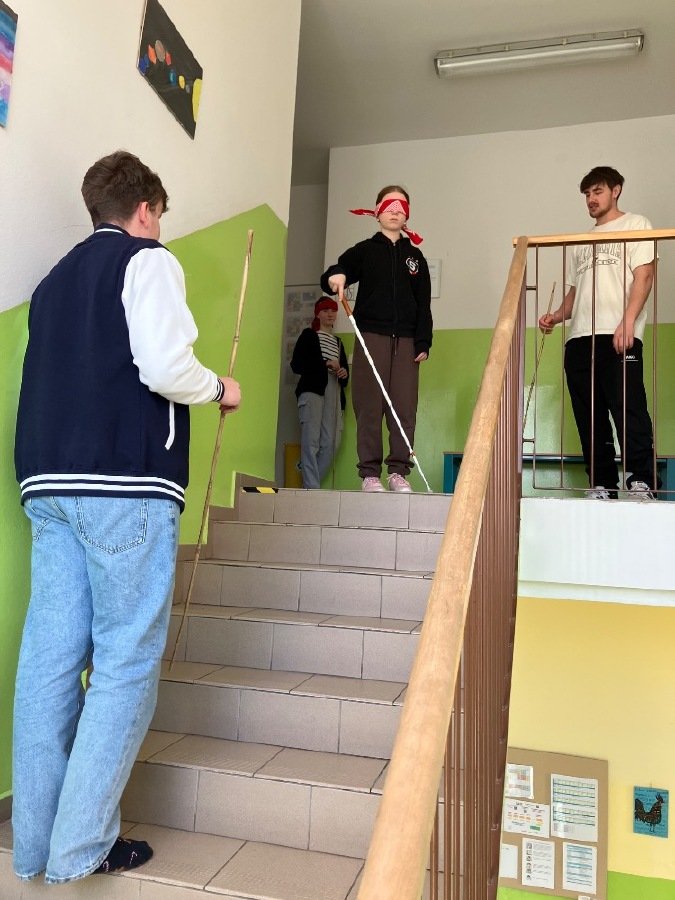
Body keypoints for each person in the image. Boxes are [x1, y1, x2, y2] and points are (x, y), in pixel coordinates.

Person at [12, 150, 241, 884]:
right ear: (145, 209)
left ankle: (34, 847)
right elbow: (165, 368)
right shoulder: (148, 261)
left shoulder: (52, 283)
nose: (161, 227)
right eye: (160, 215)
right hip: (123, 484)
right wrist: (220, 388)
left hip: (47, 485)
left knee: (49, 665)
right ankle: (81, 848)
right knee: (123, 663)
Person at [539, 165, 658, 500]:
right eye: (587, 194)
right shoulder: (582, 241)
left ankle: (641, 481)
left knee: (629, 409)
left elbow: (645, 276)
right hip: (579, 339)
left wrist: (628, 321)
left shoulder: (637, 224)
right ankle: (603, 483)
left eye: (598, 191)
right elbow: (576, 293)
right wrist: (556, 316)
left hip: (618, 334)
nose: (591, 199)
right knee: (589, 418)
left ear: (615, 190)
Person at [321, 185, 432, 493]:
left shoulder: (416, 257)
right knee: (369, 405)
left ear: (407, 215)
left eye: (401, 207)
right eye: (389, 206)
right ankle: (370, 474)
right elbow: (337, 270)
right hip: (371, 336)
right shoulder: (365, 250)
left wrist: (423, 340)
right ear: (377, 211)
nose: (395, 211)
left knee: (404, 408)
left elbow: (423, 303)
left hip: (407, 341)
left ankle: (398, 472)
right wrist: (336, 276)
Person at [290, 297, 349, 489]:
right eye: (325, 310)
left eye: (333, 310)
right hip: (312, 389)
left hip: (334, 391)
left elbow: (345, 377)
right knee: (311, 440)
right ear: (317, 314)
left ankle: (309, 484)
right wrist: (325, 364)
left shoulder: (338, 343)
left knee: (332, 443)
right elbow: (296, 365)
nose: (330, 314)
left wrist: (343, 372)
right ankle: (311, 487)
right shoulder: (309, 335)